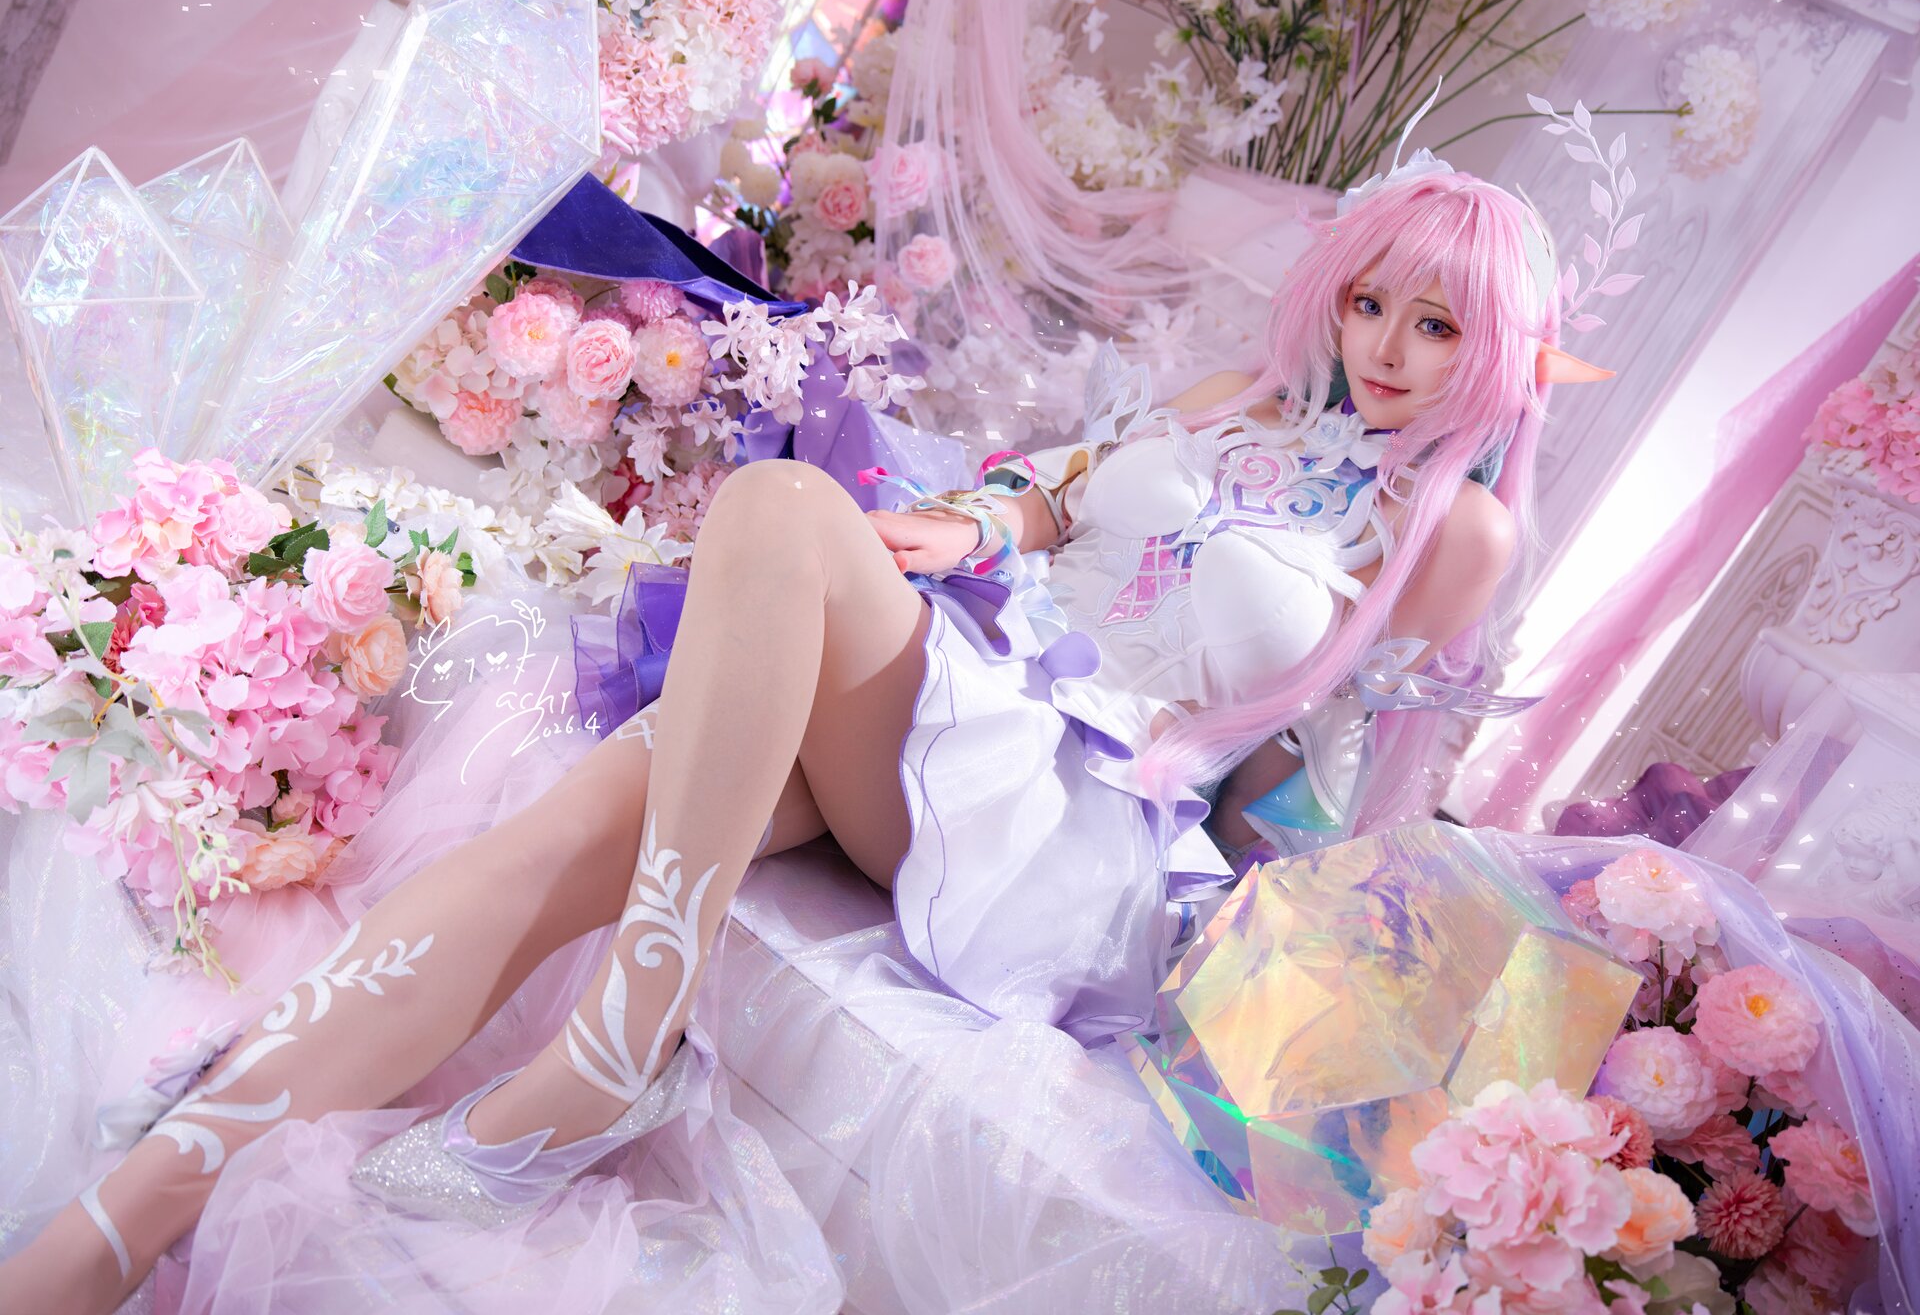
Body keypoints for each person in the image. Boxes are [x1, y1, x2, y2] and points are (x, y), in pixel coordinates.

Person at [0, 148, 1604, 1312]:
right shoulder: (1232, 399)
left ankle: (620, 1035)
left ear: (1498, 355)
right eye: (1371, 303)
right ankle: (99, 1243)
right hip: (968, 688)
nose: (1385, 349)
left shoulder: (1453, 534)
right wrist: (970, 526)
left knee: (776, 508)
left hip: (1077, 820)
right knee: (561, 834)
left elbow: (1338, 782)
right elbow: (1054, 501)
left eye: (1436, 328)